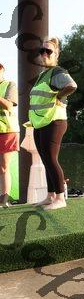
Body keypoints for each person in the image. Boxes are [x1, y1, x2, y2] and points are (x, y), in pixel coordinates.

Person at [29, 37, 77, 210]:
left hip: (54, 121)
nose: (44, 54)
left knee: (50, 158)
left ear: (56, 54)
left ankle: (60, 198)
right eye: (41, 51)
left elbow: (72, 85)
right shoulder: (43, 75)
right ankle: (50, 196)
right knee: (45, 159)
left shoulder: (57, 71)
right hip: (41, 122)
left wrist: (59, 96)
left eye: (48, 51)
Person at [0, 63, 19, 208]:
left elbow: (8, 105)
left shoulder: (10, 84)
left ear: (2, 70)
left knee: (3, 167)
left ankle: (4, 200)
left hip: (7, 130)